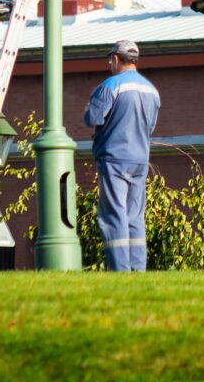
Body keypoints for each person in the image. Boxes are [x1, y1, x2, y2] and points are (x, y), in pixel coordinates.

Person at [83, 39, 160, 271]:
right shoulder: (151, 90)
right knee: (135, 216)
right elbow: (151, 126)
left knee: (114, 214)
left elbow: (91, 119)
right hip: (140, 159)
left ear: (116, 59)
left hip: (114, 158)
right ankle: (138, 268)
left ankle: (120, 269)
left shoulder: (110, 86)